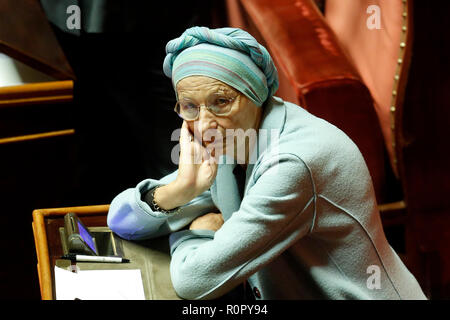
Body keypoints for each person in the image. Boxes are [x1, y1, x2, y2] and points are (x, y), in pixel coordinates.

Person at [107, 26, 426, 300]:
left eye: (221, 102)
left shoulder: (294, 165)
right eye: (190, 106)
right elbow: (120, 221)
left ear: (256, 94)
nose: (203, 126)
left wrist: (196, 232)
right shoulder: (233, 136)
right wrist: (180, 189)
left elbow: (195, 281)